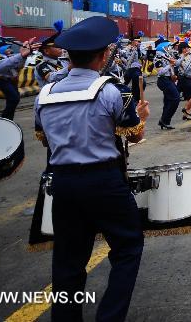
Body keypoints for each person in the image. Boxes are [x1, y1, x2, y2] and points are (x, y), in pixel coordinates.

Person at [34, 17, 149, 321]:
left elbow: (45, 139)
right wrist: (142, 117)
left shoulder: (44, 95)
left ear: (69, 56)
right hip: (104, 180)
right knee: (127, 248)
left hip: (64, 183)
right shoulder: (112, 91)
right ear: (102, 56)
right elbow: (133, 134)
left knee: (68, 261)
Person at [0, 38, 37, 120]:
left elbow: (19, 67)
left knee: (15, 99)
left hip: (12, 80)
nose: (10, 50)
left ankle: (8, 119)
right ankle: (5, 118)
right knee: (14, 98)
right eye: (7, 48)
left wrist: (23, 58)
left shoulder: (10, 57)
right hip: (3, 80)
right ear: (2, 49)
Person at [154, 47, 180, 130]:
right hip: (163, 80)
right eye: (166, 46)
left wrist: (173, 75)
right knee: (176, 98)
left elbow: (175, 66)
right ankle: (165, 120)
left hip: (169, 79)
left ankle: (164, 120)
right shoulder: (158, 58)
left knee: (168, 101)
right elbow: (160, 72)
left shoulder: (167, 56)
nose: (168, 48)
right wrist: (170, 65)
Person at [174, 42, 191, 120]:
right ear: (183, 49)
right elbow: (186, 67)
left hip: (190, 78)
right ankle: (186, 108)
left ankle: (186, 115)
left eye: (188, 48)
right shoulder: (180, 57)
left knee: (190, 97)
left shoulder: (188, 56)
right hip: (184, 78)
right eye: (187, 48)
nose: (188, 49)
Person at [121, 34, 146, 103]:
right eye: (137, 41)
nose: (139, 43)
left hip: (136, 69)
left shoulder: (138, 49)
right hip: (131, 69)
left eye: (139, 41)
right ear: (133, 41)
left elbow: (141, 58)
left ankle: (134, 99)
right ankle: (134, 98)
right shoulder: (128, 48)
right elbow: (126, 59)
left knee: (136, 84)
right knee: (141, 83)